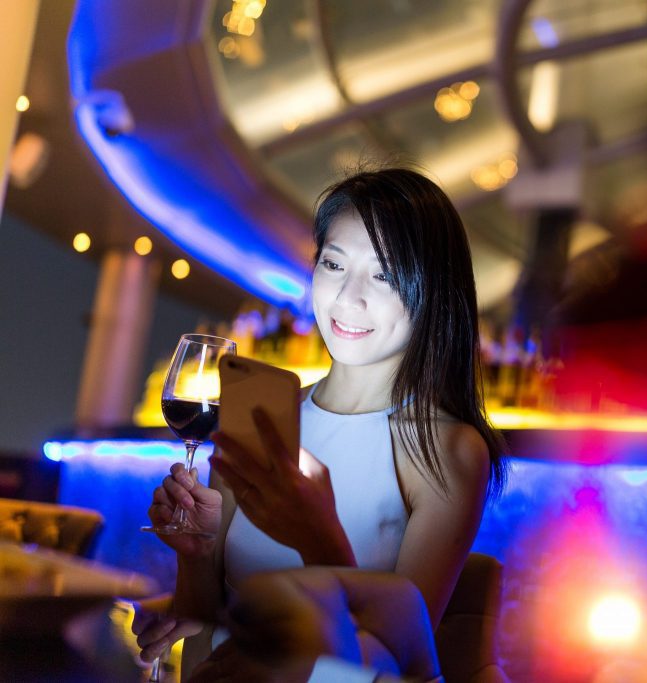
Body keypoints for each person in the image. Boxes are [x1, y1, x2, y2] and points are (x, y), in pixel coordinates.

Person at [140, 167, 506, 677]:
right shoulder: (262, 416)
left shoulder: (448, 450)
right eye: (334, 264)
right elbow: (213, 616)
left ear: (432, 292)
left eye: (384, 275)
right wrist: (197, 554)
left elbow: (393, 662)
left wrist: (318, 536)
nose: (348, 297)